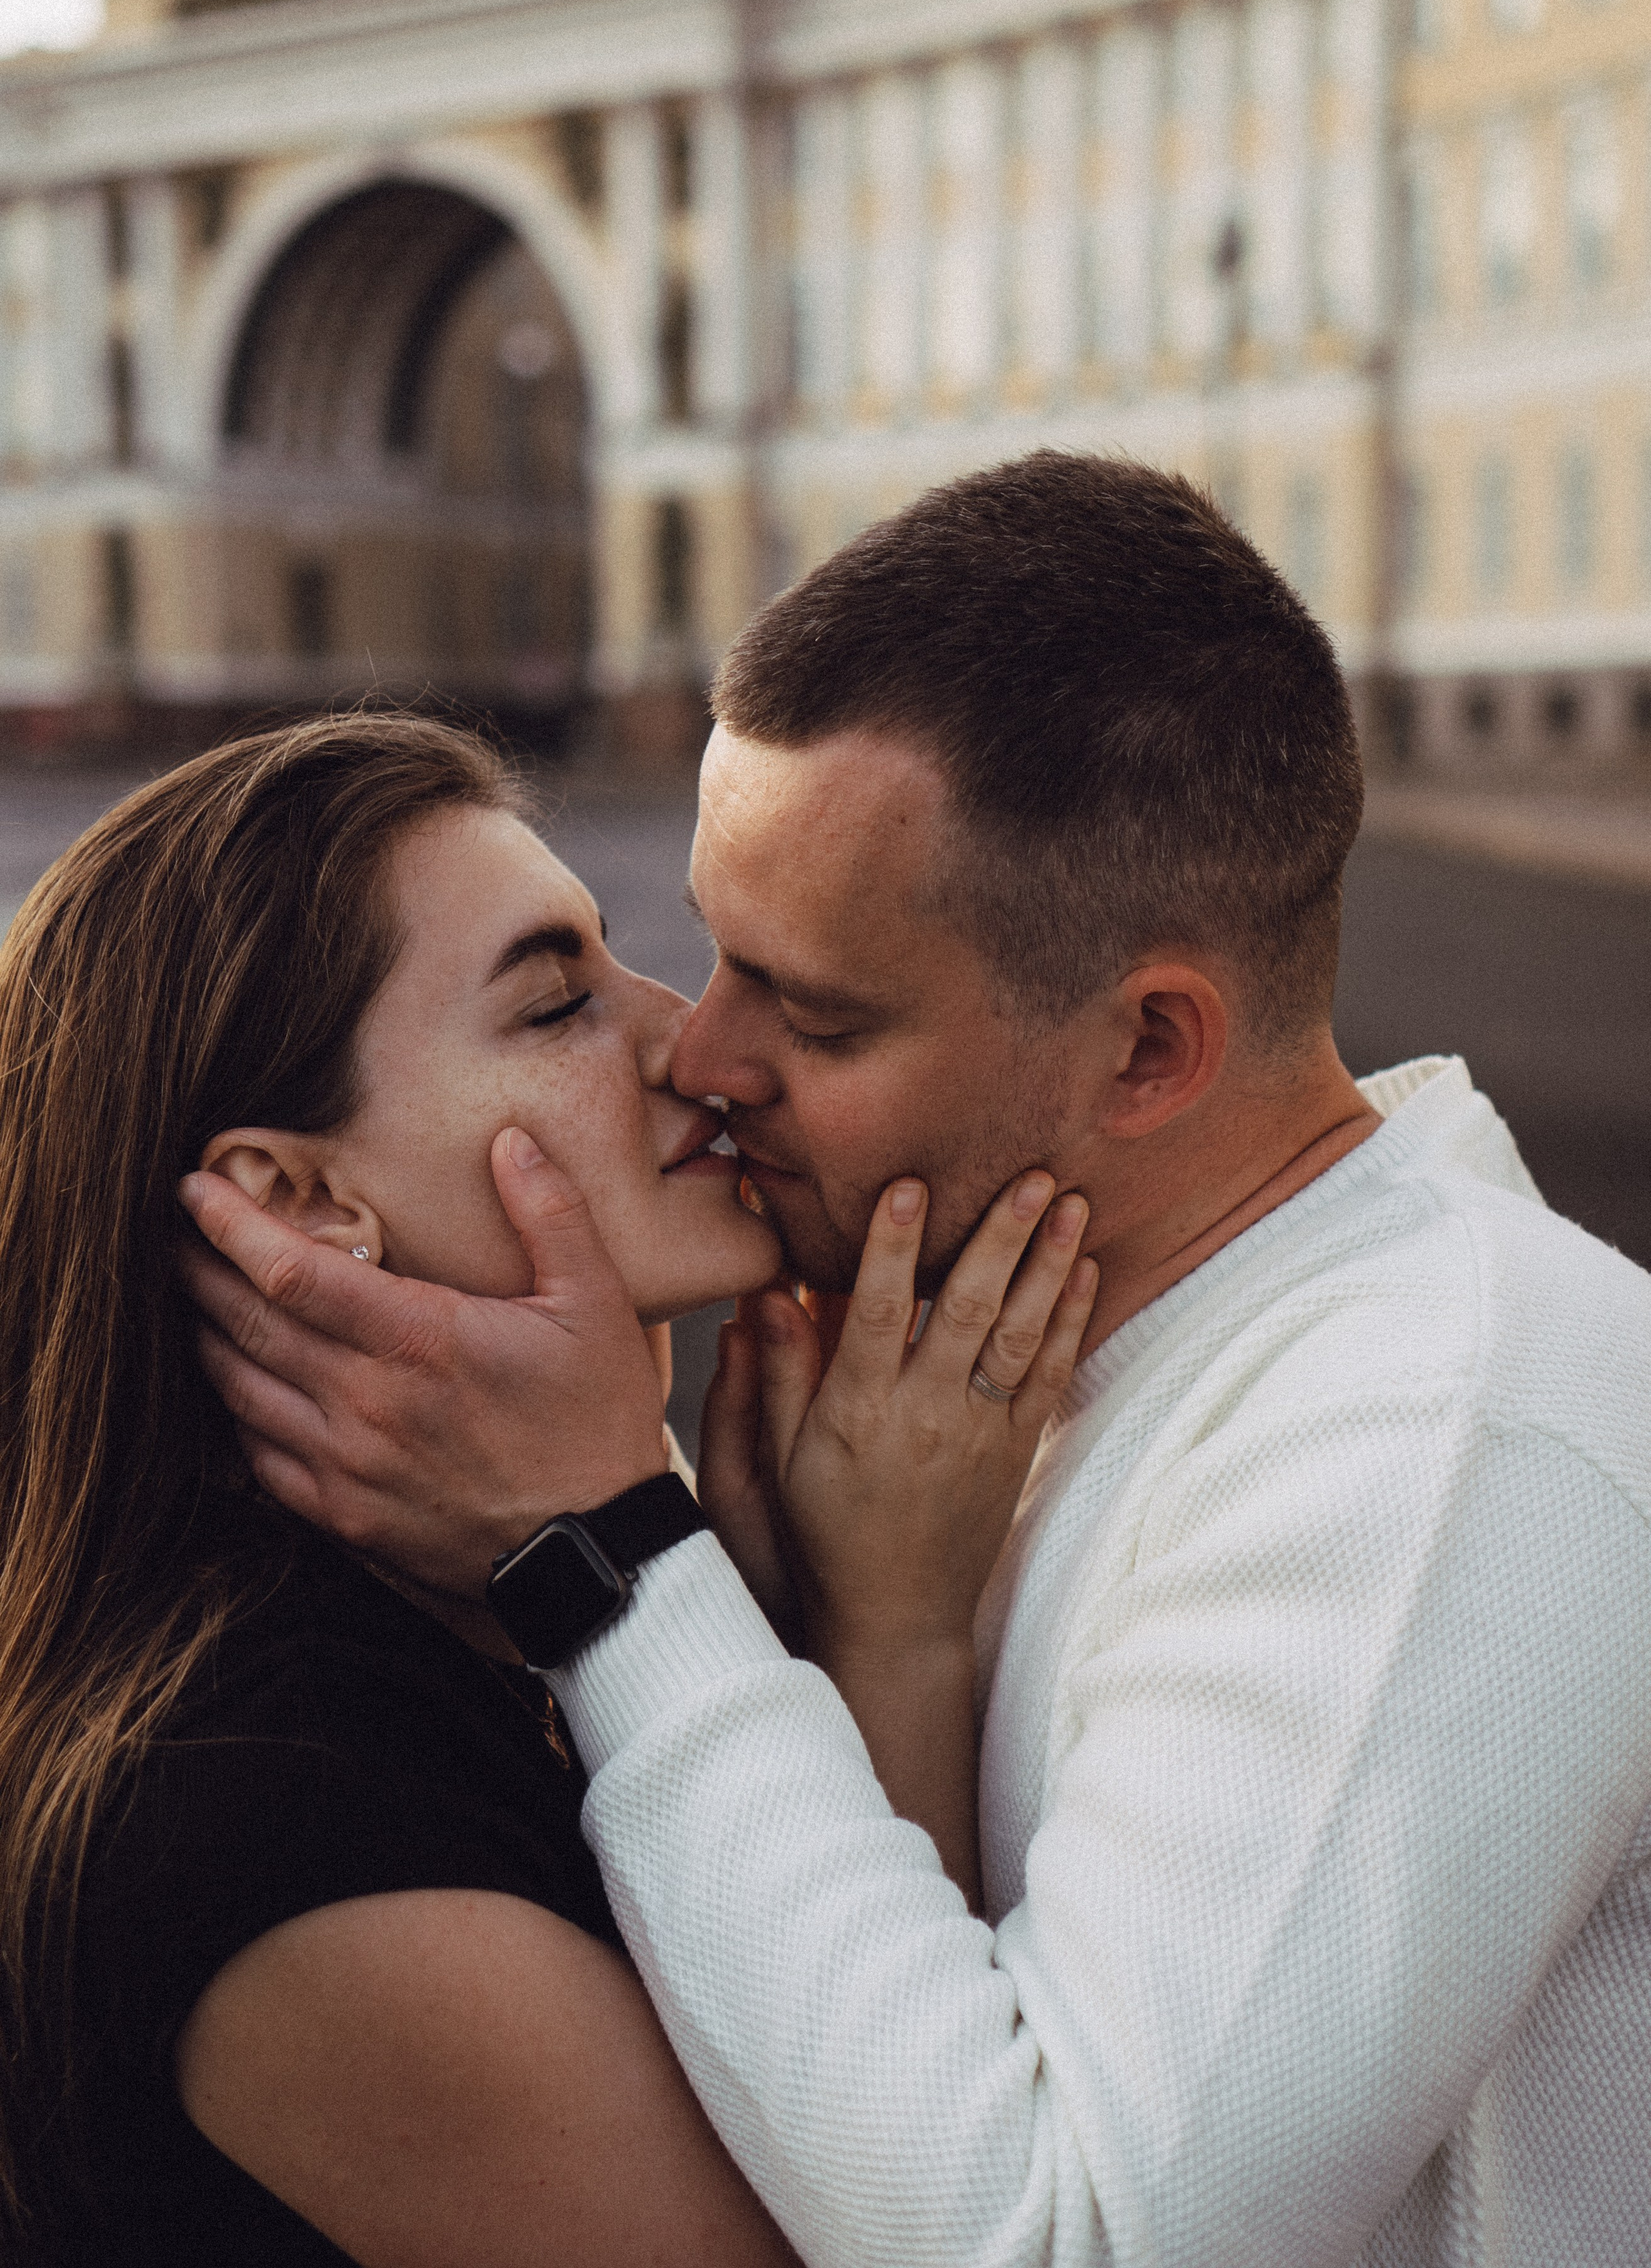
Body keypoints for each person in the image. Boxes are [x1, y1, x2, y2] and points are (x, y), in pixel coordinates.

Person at [186, 455, 1651, 2268]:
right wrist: (869, 1626)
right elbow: (894, 2044)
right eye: (710, 954)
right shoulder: (973, 1390)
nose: (699, 1056)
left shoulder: (1442, 1428)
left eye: (813, 1012)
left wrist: (614, 1562)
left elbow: (1056, 2236)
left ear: (1146, 1054)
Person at [0, 707, 1092, 2267]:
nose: (693, 1044)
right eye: (558, 1003)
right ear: (301, 1203)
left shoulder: (450, 1614)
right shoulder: (256, 1808)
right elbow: (909, 2223)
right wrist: (873, 1619)